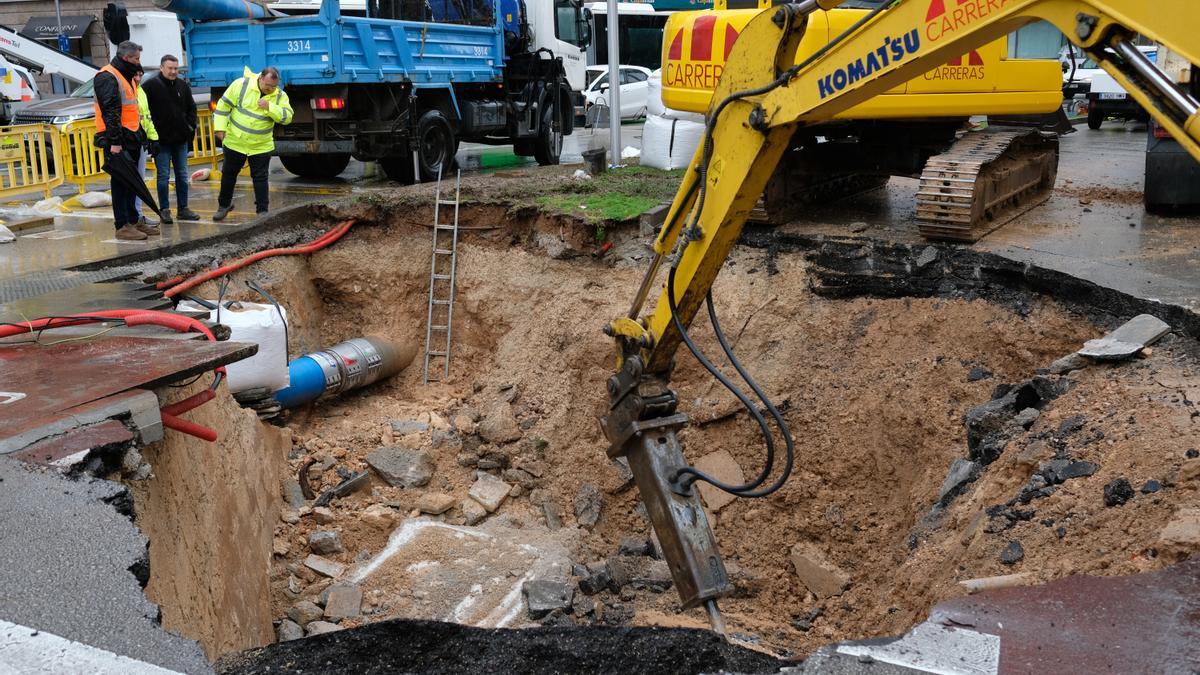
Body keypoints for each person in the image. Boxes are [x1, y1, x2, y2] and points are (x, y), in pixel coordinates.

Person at [212, 66, 293, 221]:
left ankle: (262, 211)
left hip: (260, 145)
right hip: (235, 141)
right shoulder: (240, 85)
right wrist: (220, 129)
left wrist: (270, 107)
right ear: (260, 78)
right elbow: (223, 107)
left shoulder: (279, 96)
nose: (270, 89)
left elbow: (287, 117)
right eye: (267, 85)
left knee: (260, 178)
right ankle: (224, 206)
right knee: (228, 174)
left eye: (273, 87)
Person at [94, 40, 152, 241]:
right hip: (118, 140)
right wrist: (115, 142)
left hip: (131, 136)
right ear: (126, 58)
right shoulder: (108, 76)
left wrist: (141, 136)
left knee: (131, 183)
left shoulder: (127, 75)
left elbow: (132, 109)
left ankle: (133, 220)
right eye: (136, 59)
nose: (138, 62)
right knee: (120, 183)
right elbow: (110, 112)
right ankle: (122, 224)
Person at [142, 54, 200, 224]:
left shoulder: (182, 85)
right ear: (161, 68)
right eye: (170, 68)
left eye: (176, 68)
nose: (174, 71)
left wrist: (189, 128)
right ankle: (164, 210)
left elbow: (192, 108)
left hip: (180, 140)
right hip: (161, 141)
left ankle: (183, 208)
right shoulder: (150, 87)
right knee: (163, 176)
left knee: (182, 175)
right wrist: (151, 137)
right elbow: (145, 112)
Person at [131, 67, 161, 233]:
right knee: (133, 181)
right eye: (136, 73)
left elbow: (146, 118)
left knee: (139, 180)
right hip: (131, 141)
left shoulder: (140, 91)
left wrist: (153, 138)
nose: (139, 76)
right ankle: (134, 217)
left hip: (140, 140)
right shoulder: (129, 90)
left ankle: (138, 215)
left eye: (140, 74)